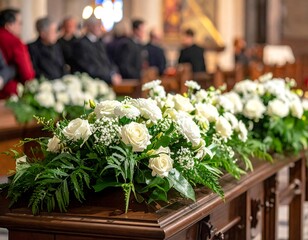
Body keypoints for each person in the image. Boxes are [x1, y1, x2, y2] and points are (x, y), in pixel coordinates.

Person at [72, 17, 121, 85]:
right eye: (97, 25)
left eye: (100, 25)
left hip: (106, 80)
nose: (100, 28)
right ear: (89, 27)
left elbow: (107, 60)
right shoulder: (81, 44)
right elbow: (89, 67)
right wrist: (109, 76)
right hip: (91, 82)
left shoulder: (100, 43)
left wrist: (114, 73)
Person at [0, 8, 35, 99]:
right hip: (10, 91)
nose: (21, 27)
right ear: (8, 25)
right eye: (19, 23)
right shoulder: (14, 42)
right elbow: (27, 73)